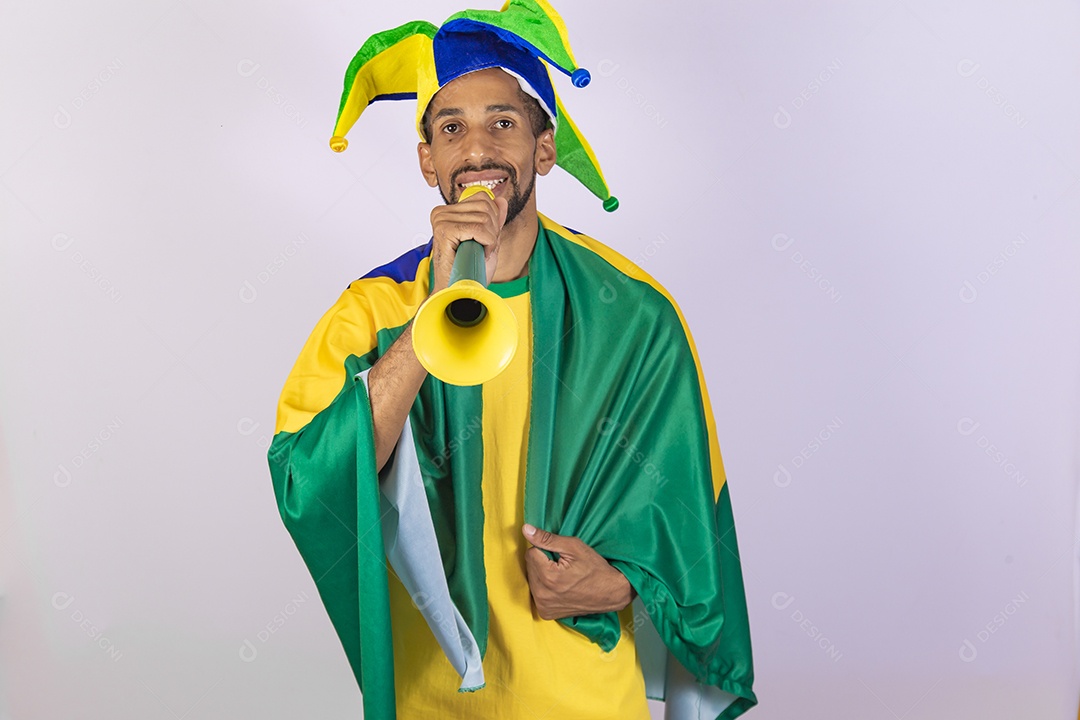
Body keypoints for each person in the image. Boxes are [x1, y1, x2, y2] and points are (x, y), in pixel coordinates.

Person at [267, 2, 757, 719]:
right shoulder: (370, 310)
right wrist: (425, 323)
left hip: (587, 701)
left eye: (503, 122)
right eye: (451, 128)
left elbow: (692, 525)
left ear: (544, 147)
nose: (477, 151)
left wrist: (621, 587)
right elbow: (309, 481)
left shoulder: (636, 311)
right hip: (431, 701)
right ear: (427, 158)